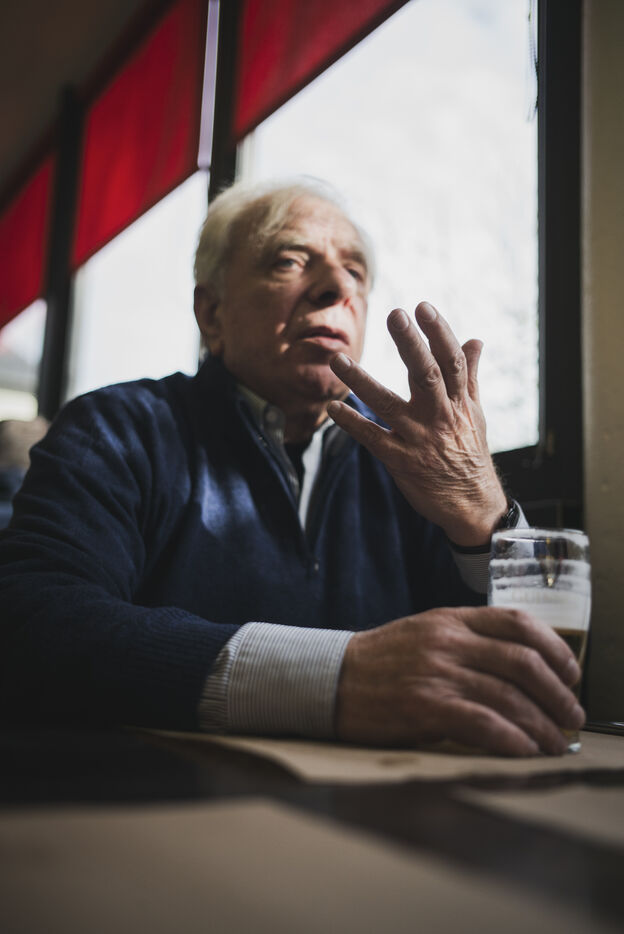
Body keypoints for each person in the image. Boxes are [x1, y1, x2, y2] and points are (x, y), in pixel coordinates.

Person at [0, 178, 584, 756]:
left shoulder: (416, 458)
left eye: (355, 272)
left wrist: (483, 512)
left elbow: (544, 674)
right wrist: (337, 678)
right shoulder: (117, 428)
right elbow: (30, 621)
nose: (337, 287)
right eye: (289, 260)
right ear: (212, 314)